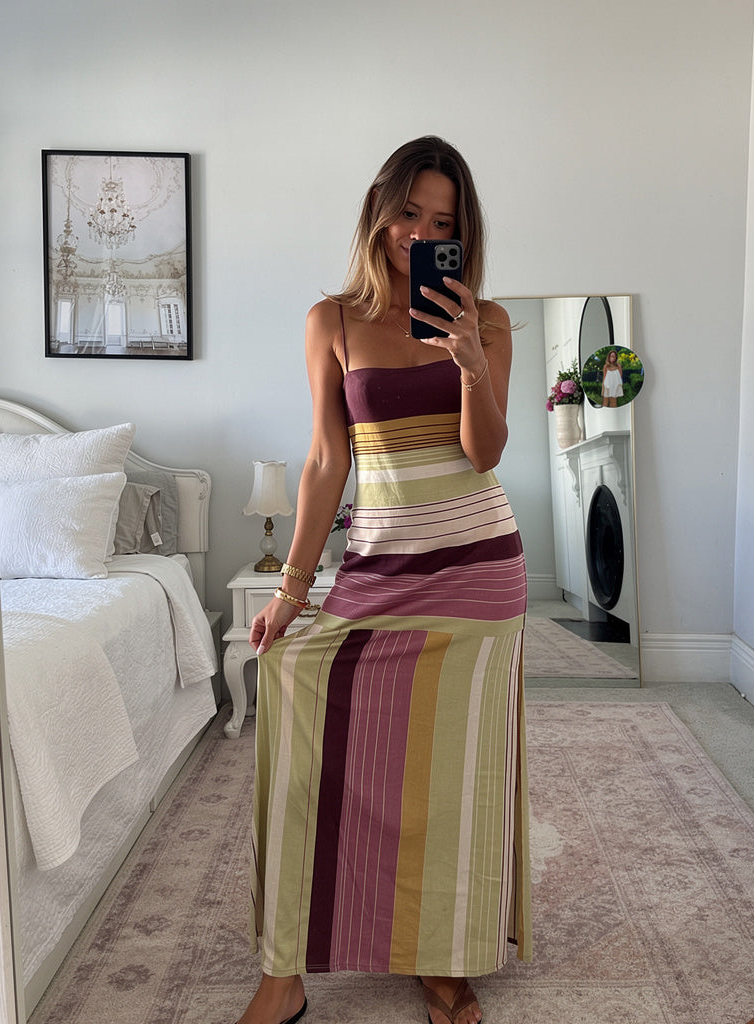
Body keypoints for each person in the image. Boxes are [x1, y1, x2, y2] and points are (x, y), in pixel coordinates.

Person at [237, 136, 531, 1024]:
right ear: (379, 209)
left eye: (443, 223)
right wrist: (291, 589)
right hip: (377, 568)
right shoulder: (330, 320)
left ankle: (443, 957)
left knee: (453, 774)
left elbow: (485, 452)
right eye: (409, 213)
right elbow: (327, 460)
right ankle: (285, 971)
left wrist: (471, 364)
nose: (421, 235)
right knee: (300, 712)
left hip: (478, 574)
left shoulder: (487, 321)